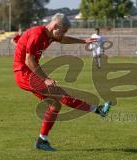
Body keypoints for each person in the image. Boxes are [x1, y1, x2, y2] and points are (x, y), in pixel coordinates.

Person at [13, 13, 111, 151]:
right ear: (55, 26)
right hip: (23, 73)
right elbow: (29, 60)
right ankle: (98, 110)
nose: (62, 34)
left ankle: (42, 140)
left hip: (27, 73)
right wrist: (45, 79)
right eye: (63, 31)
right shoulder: (37, 34)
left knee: (55, 106)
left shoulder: (50, 35)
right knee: (61, 95)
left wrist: (83, 41)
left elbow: (63, 40)